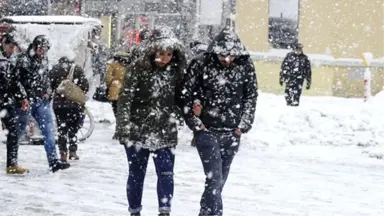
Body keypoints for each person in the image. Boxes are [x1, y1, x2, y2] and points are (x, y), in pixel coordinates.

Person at [179, 27, 258, 216]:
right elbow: (184, 95)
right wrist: (196, 123)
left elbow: (251, 96)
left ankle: (205, 213)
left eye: (231, 55)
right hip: (208, 131)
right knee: (214, 180)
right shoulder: (201, 64)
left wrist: (243, 125)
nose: (227, 59)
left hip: (232, 132)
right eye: (223, 55)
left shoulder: (245, 65)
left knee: (219, 181)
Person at [117, 26, 186, 216]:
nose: (165, 58)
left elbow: (182, 99)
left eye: (169, 54)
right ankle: (135, 211)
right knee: (136, 175)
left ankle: (165, 211)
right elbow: (125, 100)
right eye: (161, 53)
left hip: (165, 130)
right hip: (137, 130)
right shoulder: (137, 69)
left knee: (166, 174)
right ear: (152, 51)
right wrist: (124, 127)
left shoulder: (175, 72)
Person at [13, 35, 70, 173]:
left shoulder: (44, 59)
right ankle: (12, 161)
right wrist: (23, 97)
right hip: (26, 101)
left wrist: (47, 91)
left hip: (41, 101)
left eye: (45, 49)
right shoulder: (23, 60)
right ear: (34, 46)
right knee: (18, 131)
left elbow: (45, 78)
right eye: (40, 48)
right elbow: (16, 80)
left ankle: (53, 161)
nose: (42, 51)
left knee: (48, 131)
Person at [49, 57, 89, 162]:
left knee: (62, 130)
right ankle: (73, 151)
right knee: (73, 129)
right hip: (74, 105)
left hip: (59, 106)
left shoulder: (55, 69)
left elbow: (50, 86)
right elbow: (85, 86)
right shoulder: (77, 69)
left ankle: (63, 154)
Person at [0, 32, 29, 174]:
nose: (12, 50)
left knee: (13, 131)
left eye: (13, 47)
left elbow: (14, 82)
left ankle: (12, 164)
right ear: (4, 45)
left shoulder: (12, 61)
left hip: (6, 101)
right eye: (10, 46)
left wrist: (22, 97)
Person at [105, 52, 131, 139]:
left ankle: (118, 132)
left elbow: (107, 79)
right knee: (124, 112)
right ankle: (124, 131)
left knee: (117, 112)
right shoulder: (131, 65)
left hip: (115, 92)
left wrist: (113, 82)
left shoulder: (112, 65)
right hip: (127, 92)